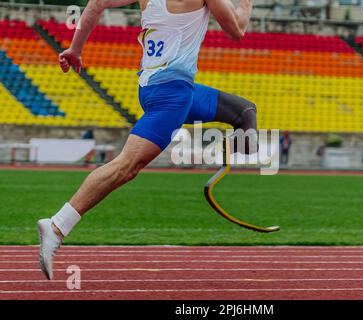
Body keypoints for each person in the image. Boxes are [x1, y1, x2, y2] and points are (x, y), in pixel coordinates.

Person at [37, 0, 257, 280]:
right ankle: (56, 226)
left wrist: (75, 48)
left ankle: (240, 149)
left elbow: (97, 2)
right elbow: (237, 30)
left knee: (244, 112)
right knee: (125, 167)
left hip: (155, 87)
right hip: (172, 94)